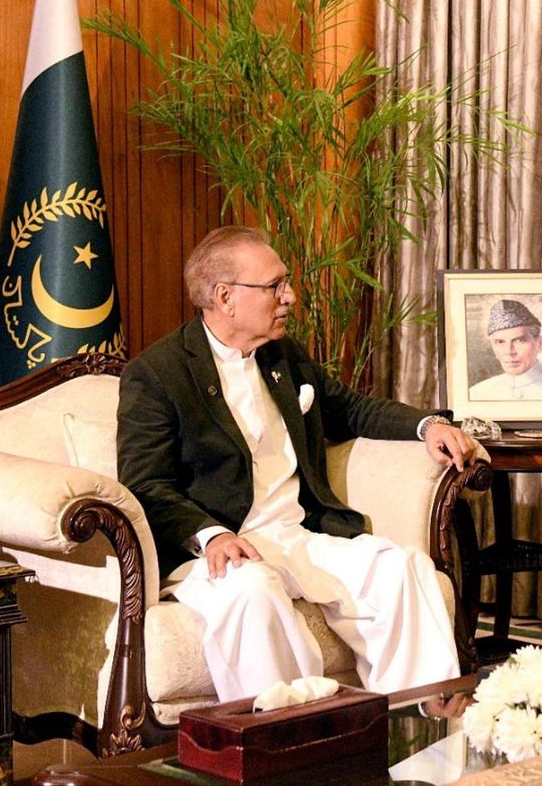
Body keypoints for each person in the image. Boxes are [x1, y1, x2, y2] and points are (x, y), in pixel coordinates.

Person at [117, 226, 480, 701]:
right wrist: (212, 535)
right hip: (217, 550)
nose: (289, 296)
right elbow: (145, 483)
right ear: (225, 297)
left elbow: (350, 408)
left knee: (401, 569)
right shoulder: (158, 373)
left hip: (297, 534)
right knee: (254, 592)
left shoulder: (281, 354)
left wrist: (427, 426)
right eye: (274, 286)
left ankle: (416, 730)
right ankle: (288, 747)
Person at [467, 298, 542, 401]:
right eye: (500, 342)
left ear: (539, 343)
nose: (509, 351)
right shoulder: (476, 393)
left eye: (519, 340)